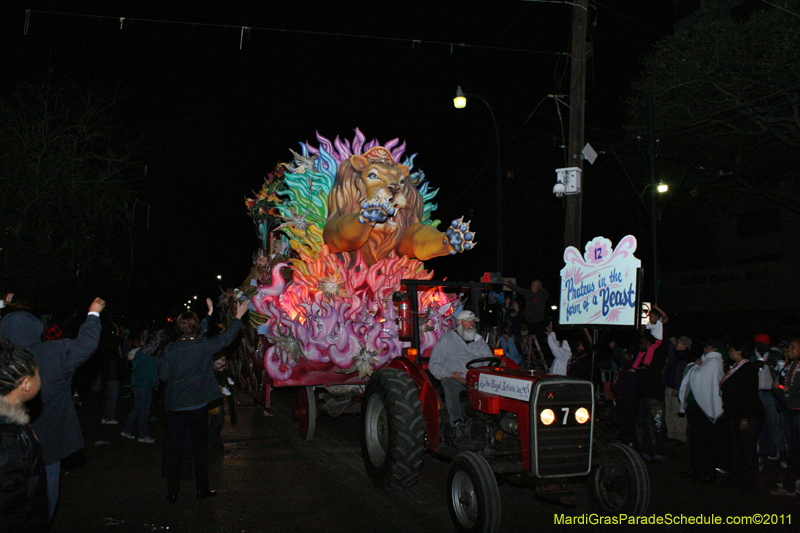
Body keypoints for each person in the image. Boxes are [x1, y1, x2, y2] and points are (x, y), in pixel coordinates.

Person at [0, 297, 104, 520]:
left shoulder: (5, 359)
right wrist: (93, 314)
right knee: (44, 498)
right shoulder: (53, 353)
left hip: (8, 449)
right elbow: (87, 344)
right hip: (47, 443)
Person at [160, 300, 248, 504]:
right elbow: (226, 339)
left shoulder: (170, 350)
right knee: (199, 448)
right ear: (196, 327)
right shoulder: (203, 345)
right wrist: (237, 317)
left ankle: (173, 493)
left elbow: (163, 376)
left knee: (175, 449)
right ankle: (202, 490)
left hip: (175, 406)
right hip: (198, 404)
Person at [0, 341, 47, 532]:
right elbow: (11, 504)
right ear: (26, 383)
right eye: (36, 374)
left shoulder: (11, 424)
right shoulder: (8, 439)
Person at [429, 310, 493, 431]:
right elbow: (434, 365)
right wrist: (450, 374)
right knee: (449, 384)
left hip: (478, 380)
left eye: (473, 322)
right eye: (467, 321)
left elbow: (488, 361)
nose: (471, 325)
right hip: (457, 380)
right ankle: (457, 421)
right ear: (458, 322)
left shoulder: (479, 341)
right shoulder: (446, 340)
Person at [678, 338, 725, 484]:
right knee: (696, 441)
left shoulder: (714, 363)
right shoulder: (705, 361)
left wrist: (695, 367)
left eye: (707, 348)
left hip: (705, 409)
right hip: (697, 407)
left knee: (706, 442)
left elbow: (698, 378)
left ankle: (707, 472)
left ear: (714, 349)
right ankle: (696, 468)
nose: (704, 350)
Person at [719, 339, 764, 492]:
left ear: (739, 352)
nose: (729, 353)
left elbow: (749, 394)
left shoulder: (748, 369)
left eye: (731, 350)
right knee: (736, 447)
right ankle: (737, 478)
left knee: (747, 448)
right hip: (734, 413)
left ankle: (750, 482)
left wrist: (745, 417)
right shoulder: (736, 367)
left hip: (747, 415)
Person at [770, 338, 800, 496]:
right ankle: (790, 484)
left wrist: (787, 389)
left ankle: (792, 483)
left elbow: (793, 388)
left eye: (794, 347)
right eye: (789, 347)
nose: (790, 350)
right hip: (789, 410)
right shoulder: (789, 365)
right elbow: (782, 384)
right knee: (792, 449)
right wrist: (778, 387)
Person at [119, 329, 159, 443]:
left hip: (137, 384)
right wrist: (159, 332)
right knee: (144, 410)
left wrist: (146, 331)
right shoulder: (143, 352)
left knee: (137, 408)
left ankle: (126, 430)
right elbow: (155, 343)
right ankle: (143, 434)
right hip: (144, 384)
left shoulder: (135, 352)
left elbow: (146, 339)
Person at [752, 333, 783, 463]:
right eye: (764, 344)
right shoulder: (751, 357)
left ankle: (777, 451)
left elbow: (782, 373)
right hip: (757, 394)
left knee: (774, 424)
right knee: (760, 424)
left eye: (767, 344)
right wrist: (754, 368)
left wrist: (774, 365)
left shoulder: (775, 355)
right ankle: (763, 451)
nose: (766, 346)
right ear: (758, 344)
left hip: (771, 394)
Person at [663, 336, 692, 443]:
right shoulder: (674, 355)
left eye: (679, 343)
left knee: (678, 413)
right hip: (669, 386)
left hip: (678, 389)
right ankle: (671, 434)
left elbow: (684, 375)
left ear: (684, 345)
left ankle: (680, 437)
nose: (677, 344)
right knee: (669, 411)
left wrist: (678, 388)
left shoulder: (686, 358)